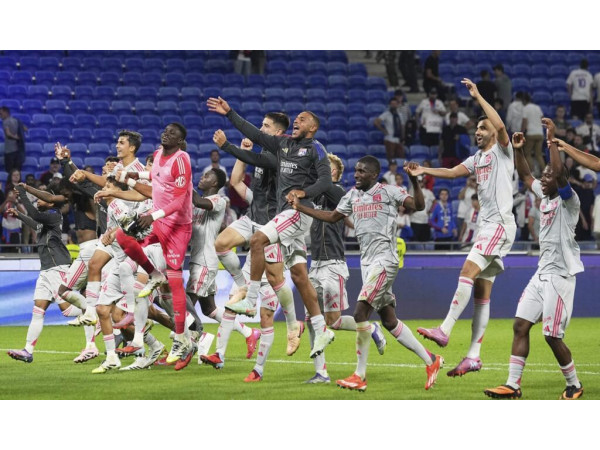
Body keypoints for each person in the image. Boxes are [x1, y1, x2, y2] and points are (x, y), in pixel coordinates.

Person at [289, 155, 443, 391]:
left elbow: (419, 206)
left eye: (362, 171)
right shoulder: (352, 195)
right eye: (356, 171)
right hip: (367, 264)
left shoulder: (389, 192)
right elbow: (332, 217)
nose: (356, 175)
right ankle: (431, 360)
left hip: (385, 261)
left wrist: (414, 181)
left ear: (374, 174)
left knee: (360, 312)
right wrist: (301, 208)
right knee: (389, 320)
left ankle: (359, 375)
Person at [206, 96, 335, 360]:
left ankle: (251, 298)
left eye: (303, 120)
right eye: (296, 118)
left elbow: (325, 182)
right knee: (298, 277)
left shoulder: (316, 149)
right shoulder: (283, 145)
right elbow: (254, 134)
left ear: (313, 128)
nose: (297, 121)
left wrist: (304, 192)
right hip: (281, 217)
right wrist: (229, 113)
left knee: (259, 243)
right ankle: (319, 328)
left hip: (296, 213)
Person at [412, 78, 516, 377]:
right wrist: (424, 169)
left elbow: (501, 125)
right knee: (482, 292)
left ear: (493, 132)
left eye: (483, 128)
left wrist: (478, 95)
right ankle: (473, 356)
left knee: (466, 271)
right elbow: (451, 172)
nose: (478, 132)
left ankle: (445, 329)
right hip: (488, 227)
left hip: (498, 225)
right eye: (477, 128)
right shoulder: (478, 158)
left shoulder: (503, 152)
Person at [484, 120, 584, 400]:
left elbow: (559, 174)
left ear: (559, 180)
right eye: (545, 174)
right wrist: (519, 150)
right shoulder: (545, 195)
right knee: (520, 325)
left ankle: (574, 384)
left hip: (560, 277)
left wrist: (551, 140)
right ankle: (512, 385)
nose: (544, 178)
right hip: (541, 275)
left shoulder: (569, 201)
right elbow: (527, 175)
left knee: (552, 336)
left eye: (548, 175)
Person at [212, 113, 304, 363]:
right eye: (261, 125)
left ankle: (293, 323)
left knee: (275, 280)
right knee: (221, 244)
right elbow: (235, 182)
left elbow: (255, 159)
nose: (260, 129)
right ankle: (219, 354)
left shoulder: (281, 155)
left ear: (277, 133)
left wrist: (229, 147)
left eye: (265, 126)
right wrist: (242, 152)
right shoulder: (262, 154)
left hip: (271, 227)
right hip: (253, 216)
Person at [113, 123, 195, 368]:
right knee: (123, 236)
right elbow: (155, 176)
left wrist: (153, 215)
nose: (166, 134)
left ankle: (181, 338)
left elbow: (180, 200)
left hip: (177, 226)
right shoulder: (159, 154)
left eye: (173, 134)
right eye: (166, 131)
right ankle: (154, 274)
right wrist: (134, 176)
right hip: (160, 222)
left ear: (180, 141)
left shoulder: (182, 159)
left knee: (175, 281)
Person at [304, 153, 387, 384]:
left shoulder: (340, 193)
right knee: (312, 319)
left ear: (334, 173)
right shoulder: (315, 195)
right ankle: (321, 373)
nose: (320, 172)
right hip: (315, 263)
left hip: (333, 264)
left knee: (333, 321)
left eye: (325, 168)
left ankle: (371, 328)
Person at [6, 184, 72, 363]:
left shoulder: (54, 214)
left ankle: (99, 312)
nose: (38, 200)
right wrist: (19, 215)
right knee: (38, 310)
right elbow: (36, 224)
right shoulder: (46, 219)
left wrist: (24, 195)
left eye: (42, 198)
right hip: (46, 270)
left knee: (68, 311)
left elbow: (35, 216)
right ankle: (27, 351)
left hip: (58, 267)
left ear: (51, 202)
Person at [521, 92, 545, 176]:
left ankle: (531, 172)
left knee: (527, 153)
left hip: (531, 134)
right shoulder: (537, 107)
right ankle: (545, 172)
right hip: (540, 133)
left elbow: (524, 122)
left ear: (524, 101)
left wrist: (521, 132)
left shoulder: (525, 108)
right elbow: (542, 120)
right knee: (539, 155)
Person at [0, 106, 26, 174]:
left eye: (1, 114)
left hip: (9, 151)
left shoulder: (5, 121)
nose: (0, 116)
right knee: (17, 172)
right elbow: (25, 129)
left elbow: (8, 134)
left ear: (6, 112)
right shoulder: (16, 120)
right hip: (18, 150)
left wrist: (16, 138)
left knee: (10, 173)